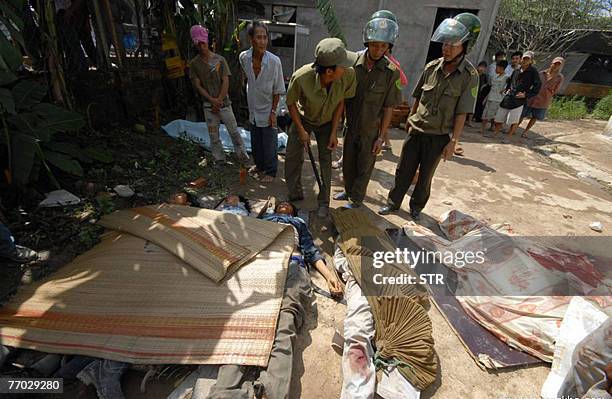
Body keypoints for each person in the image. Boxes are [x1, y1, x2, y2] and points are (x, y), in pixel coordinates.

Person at [378, 13, 480, 220]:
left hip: (438, 135)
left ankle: (416, 207)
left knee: (425, 177)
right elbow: (417, 96)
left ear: (465, 46)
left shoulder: (469, 76)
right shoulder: (431, 67)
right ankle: (393, 203)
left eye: (453, 44)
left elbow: (462, 112)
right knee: (403, 171)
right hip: (416, 130)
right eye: (445, 44)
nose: (447, 48)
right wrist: (410, 119)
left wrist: (454, 141)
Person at [333, 11, 402, 208]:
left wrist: (381, 137)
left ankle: (356, 199)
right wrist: (336, 127)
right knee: (348, 164)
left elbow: (389, 107)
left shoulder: (391, 72)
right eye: (374, 45)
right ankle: (347, 191)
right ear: (367, 43)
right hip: (350, 127)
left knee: (364, 167)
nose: (378, 50)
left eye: (383, 46)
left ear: (389, 46)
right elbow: (342, 98)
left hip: (371, 131)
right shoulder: (352, 63)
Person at [285, 38, 357, 218]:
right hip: (303, 119)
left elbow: (341, 101)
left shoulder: (348, 75)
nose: (347, 68)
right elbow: (291, 103)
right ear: (329, 71)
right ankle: (294, 193)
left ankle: (324, 201)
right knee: (293, 156)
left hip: (327, 122)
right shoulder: (301, 77)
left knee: (325, 159)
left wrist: (334, 132)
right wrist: (301, 131)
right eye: (343, 65)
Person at [188, 25, 249, 163]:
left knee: (234, 132)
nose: (201, 46)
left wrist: (219, 100)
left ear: (207, 41)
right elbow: (197, 85)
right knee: (213, 136)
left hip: (224, 104)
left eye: (203, 42)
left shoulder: (220, 60)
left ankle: (242, 157)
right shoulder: (194, 64)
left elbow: (226, 81)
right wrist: (212, 100)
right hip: (209, 106)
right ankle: (219, 159)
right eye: (198, 43)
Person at [239, 21, 286, 182]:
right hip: (253, 105)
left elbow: (278, 89)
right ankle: (259, 166)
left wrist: (273, 112)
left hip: (269, 106)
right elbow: (248, 79)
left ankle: (271, 172)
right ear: (251, 39)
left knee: (269, 141)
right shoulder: (244, 57)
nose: (262, 41)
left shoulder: (274, 62)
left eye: (265, 37)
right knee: (256, 139)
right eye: (258, 37)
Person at [263, 201, 342, 295]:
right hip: (262, 255)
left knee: (293, 294)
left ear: (293, 212)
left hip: (290, 258)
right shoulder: (265, 218)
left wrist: (329, 277)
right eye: (280, 204)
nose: (283, 204)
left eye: (288, 204)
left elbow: (310, 251)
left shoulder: (298, 222)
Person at [493, 51, 541, 140]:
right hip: (509, 96)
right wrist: (507, 89)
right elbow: (510, 80)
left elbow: (537, 86)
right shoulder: (517, 70)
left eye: (527, 59)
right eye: (524, 58)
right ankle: (495, 133)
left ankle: (509, 137)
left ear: (531, 61)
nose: (525, 61)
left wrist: (526, 94)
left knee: (514, 120)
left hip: (519, 99)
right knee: (499, 117)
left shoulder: (533, 72)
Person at [518, 56, 565, 138]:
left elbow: (556, 90)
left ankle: (525, 132)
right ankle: (514, 128)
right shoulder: (541, 73)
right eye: (555, 64)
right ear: (551, 63)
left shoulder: (559, 78)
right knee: (522, 114)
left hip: (544, 100)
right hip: (532, 97)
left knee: (535, 117)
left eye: (558, 65)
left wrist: (549, 92)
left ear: (561, 66)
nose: (556, 66)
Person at [481, 60, 508, 134]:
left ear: (502, 68)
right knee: (485, 113)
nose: (496, 69)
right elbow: (491, 87)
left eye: (497, 67)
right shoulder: (495, 76)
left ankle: (493, 128)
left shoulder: (506, 77)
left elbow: (508, 87)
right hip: (490, 96)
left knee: (493, 115)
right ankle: (482, 129)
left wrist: (504, 90)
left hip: (497, 99)